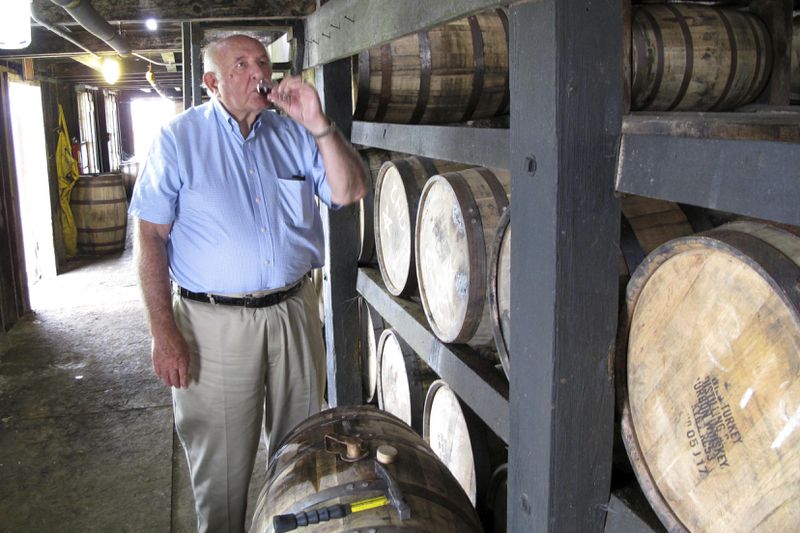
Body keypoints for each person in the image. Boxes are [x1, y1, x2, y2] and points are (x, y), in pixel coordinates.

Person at [129, 34, 366, 533]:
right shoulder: (178, 140)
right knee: (223, 466)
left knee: (301, 451)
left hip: (293, 312)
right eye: (242, 64)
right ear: (213, 83)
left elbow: (350, 190)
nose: (259, 70)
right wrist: (162, 330)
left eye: (262, 60)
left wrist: (320, 124)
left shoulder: (295, 133)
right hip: (213, 323)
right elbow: (150, 237)